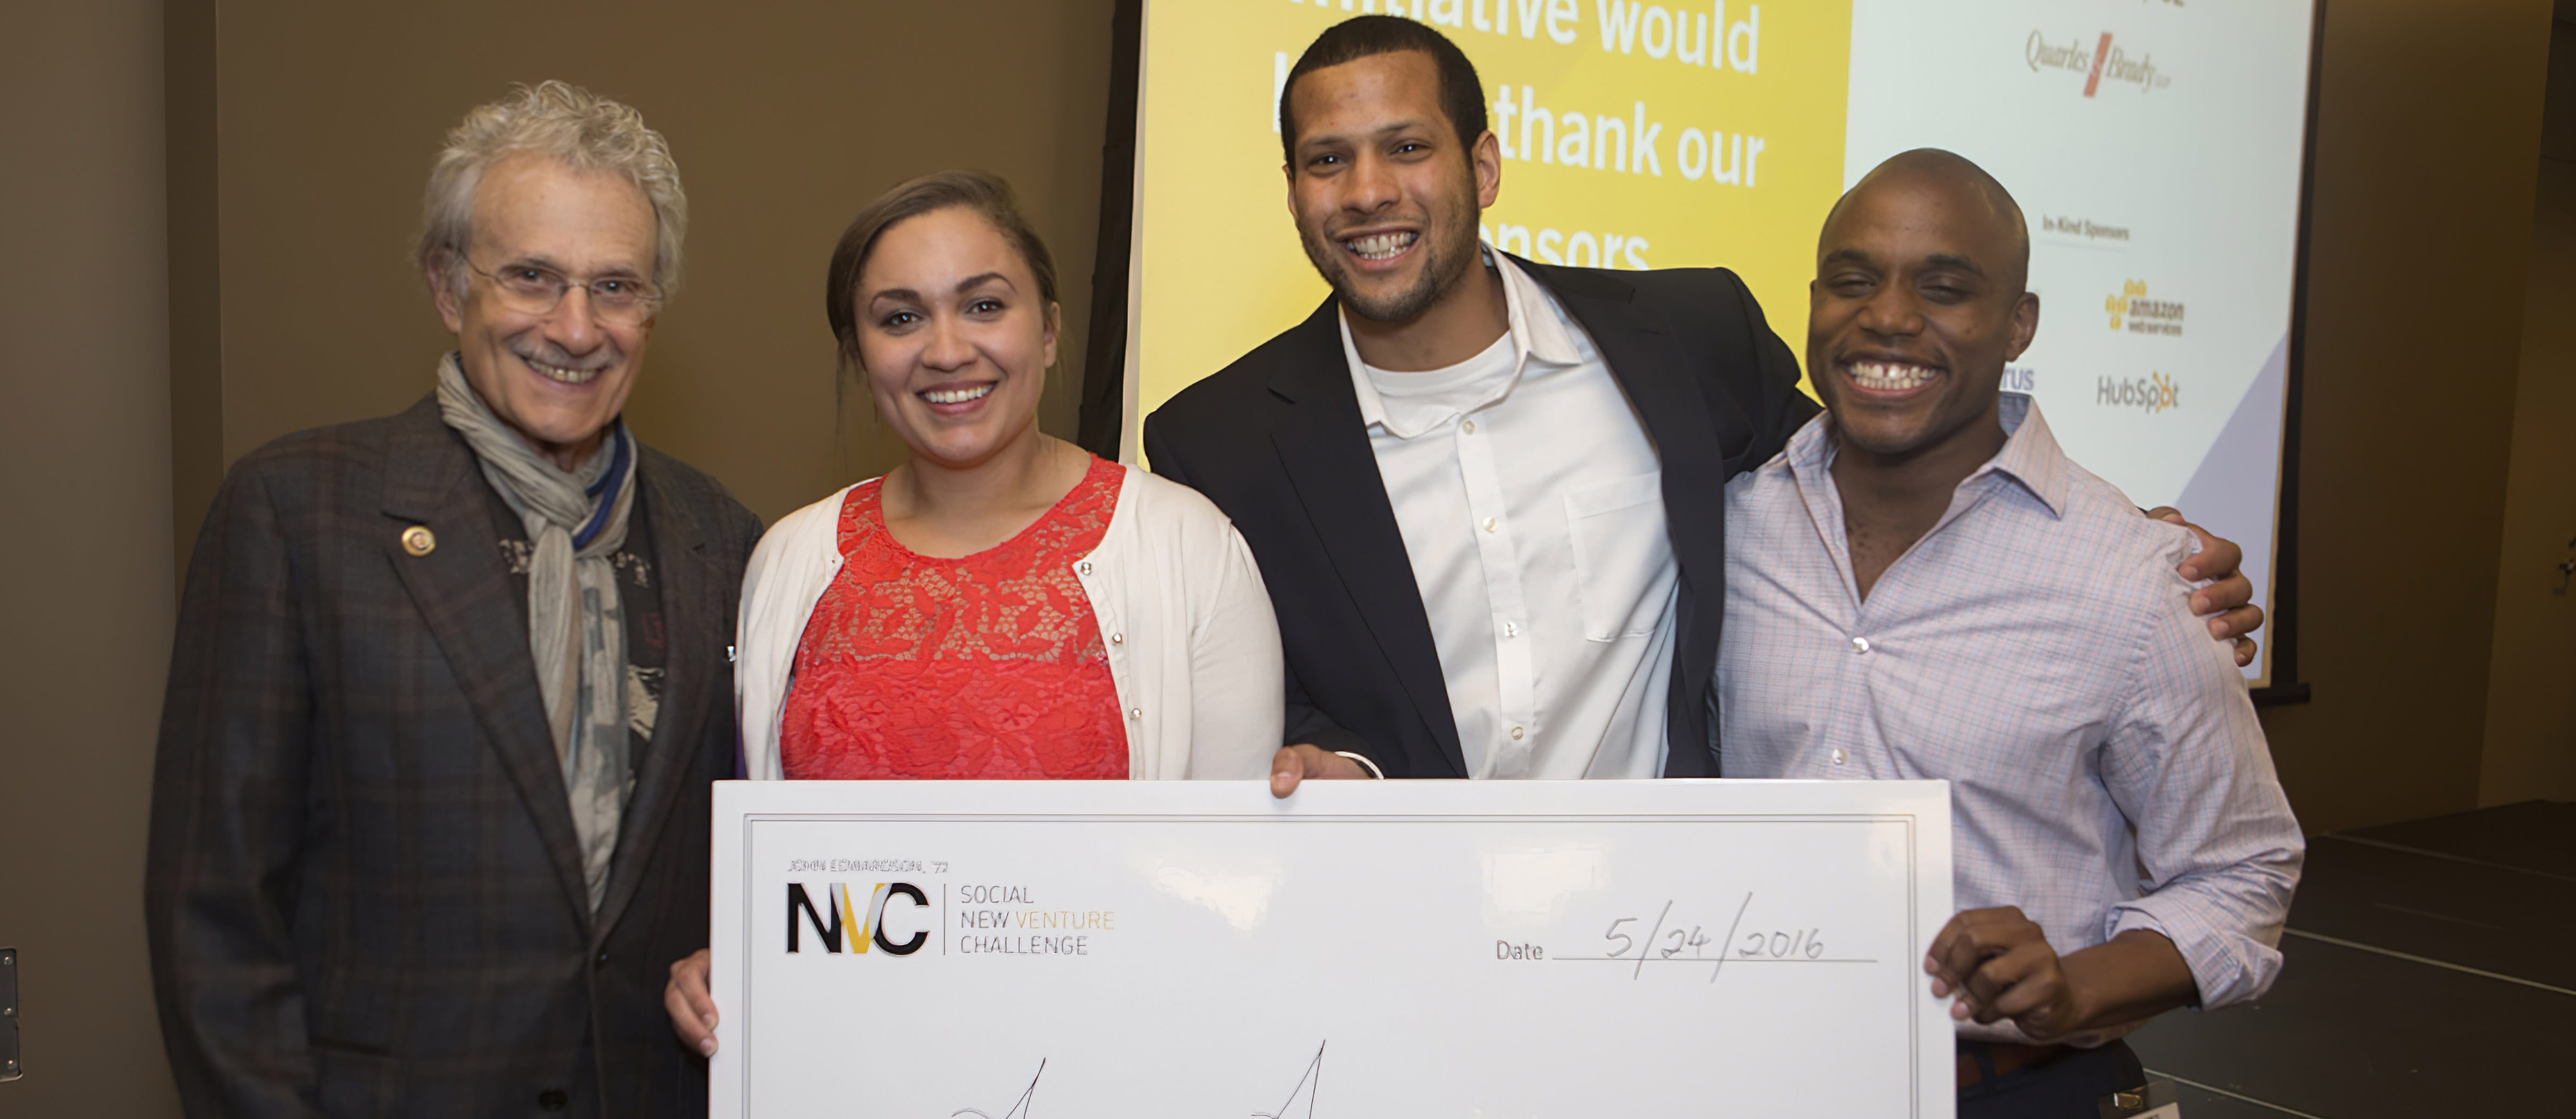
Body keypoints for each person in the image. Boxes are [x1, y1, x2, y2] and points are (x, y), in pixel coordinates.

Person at [1142, 16, 2263, 792]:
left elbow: (1872, 481)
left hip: (1678, 933)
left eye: (1406, 148)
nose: (1368, 192)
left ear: (1482, 167)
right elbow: (1248, 690)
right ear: (1291, 191)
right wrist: (1351, 768)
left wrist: (2117, 546)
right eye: (1327, 161)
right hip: (1407, 941)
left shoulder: (1683, 339)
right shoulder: (1217, 442)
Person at [145, 81, 762, 1117]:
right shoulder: (297, 514)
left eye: (616, 287)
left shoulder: (723, 540)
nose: (576, 328)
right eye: (531, 277)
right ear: (446, 286)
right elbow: (214, 911)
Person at [1716, 149, 2304, 1117]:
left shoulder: (2133, 579)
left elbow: (2242, 877)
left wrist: (2075, 987)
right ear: (1814, 301)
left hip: (2015, 1092)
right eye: (1853, 281)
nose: (1889, 316)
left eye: (1944, 288)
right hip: (1743, 1080)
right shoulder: (1728, 531)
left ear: (2019, 323)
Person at [661, 170, 1285, 1055]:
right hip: (845, 1070)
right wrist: (733, 960)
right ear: (860, 355)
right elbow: (782, 887)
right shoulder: (790, 562)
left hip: (1105, 1070)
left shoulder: (1188, 548)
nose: (947, 350)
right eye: (900, 318)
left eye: (985, 306)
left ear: (1050, 329)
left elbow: (1239, 886)